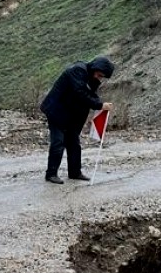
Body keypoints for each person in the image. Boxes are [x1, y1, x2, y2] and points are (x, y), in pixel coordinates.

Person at [39, 56, 114, 184]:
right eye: (99, 75)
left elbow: (90, 94)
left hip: (70, 114)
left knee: (74, 143)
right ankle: (51, 174)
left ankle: (75, 172)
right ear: (95, 68)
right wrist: (100, 105)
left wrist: (100, 103)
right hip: (56, 111)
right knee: (58, 142)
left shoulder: (90, 77)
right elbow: (81, 93)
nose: (99, 78)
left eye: (102, 76)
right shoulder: (77, 71)